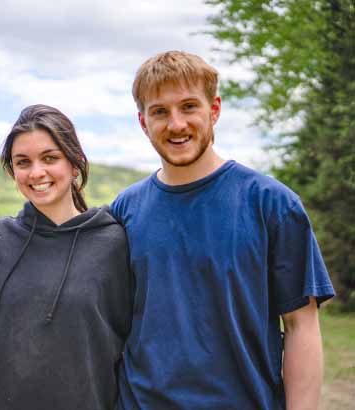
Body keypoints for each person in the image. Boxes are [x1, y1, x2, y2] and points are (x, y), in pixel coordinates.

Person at [112, 51, 335, 409]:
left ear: (213, 110)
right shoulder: (125, 209)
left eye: (189, 107)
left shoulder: (271, 203)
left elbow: (301, 326)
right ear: (143, 122)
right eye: (160, 112)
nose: (176, 124)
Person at [0, 104, 133, 410]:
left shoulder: (114, 242)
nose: (36, 173)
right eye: (23, 162)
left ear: (75, 164)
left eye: (50, 158)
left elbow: (133, 343)